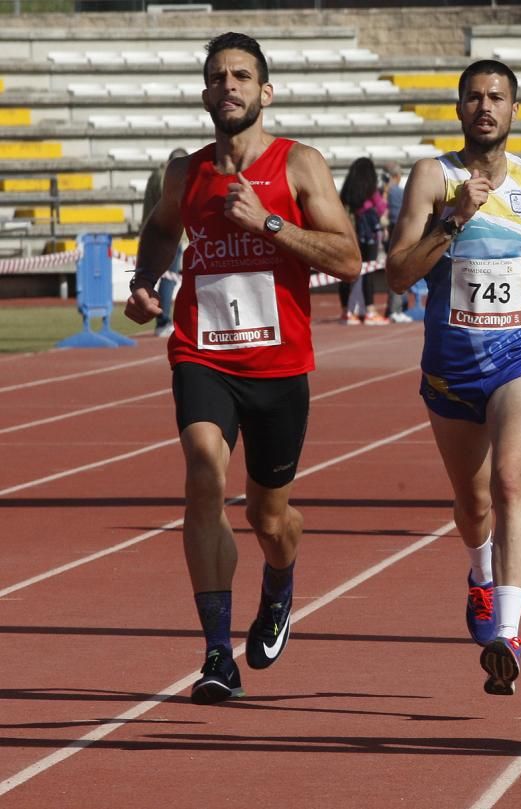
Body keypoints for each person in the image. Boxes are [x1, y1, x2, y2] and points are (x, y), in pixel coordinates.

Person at [123, 32, 361, 705]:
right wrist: (146, 282)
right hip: (203, 353)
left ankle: (281, 583)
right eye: (218, 76)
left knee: (268, 515)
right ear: (205, 93)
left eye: (242, 76)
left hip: (279, 366)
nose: (229, 85)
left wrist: (271, 225)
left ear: (265, 91)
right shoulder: (186, 173)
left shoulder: (300, 165)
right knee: (203, 472)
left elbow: (346, 261)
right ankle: (215, 655)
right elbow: (163, 228)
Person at [385, 60, 521, 696]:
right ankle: (480, 574)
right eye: (474, 97)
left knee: (511, 481)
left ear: (513, 111)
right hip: (452, 366)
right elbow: (398, 273)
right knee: (472, 500)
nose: (485, 107)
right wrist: (451, 219)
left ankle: (508, 631)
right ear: (459, 109)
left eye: (497, 98)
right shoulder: (433, 175)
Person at [141, 147, 190, 337]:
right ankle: (163, 320)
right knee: (169, 280)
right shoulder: (173, 177)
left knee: (153, 278)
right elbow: (175, 208)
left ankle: (160, 317)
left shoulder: (155, 175)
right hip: (171, 235)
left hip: (153, 233)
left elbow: (147, 205)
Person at [339, 156, 388, 325]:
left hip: (348, 233)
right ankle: (370, 310)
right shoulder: (371, 190)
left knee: (344, 271)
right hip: (368, 236)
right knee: (368, 271)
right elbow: (382, 209)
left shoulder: (346, 191)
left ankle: (346, 311)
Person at [382, 162, 414, 323]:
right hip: (399, 232)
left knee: (393, 271)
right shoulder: (398, 193)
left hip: (388, 233)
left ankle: (393, 308)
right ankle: (396, 309)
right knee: (400, 270)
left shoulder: (383, 192)